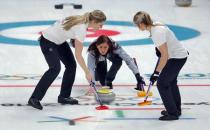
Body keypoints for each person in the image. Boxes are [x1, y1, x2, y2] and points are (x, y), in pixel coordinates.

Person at [28, 10, 106, 110]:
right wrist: (87, 72)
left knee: (71, 65)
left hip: (58, 41)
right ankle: (34, 98)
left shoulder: (81, 19)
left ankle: (64, 96)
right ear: (94, 21)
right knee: (55, 68)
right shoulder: (81, 28)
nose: (101, 27)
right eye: (100, 24)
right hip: (47, 41)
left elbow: (61, 27)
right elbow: (78, 55)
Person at [133, 11, 188, 121]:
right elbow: (164, 51)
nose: (138, 27)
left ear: (142, 23)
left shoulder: (157, 32)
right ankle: (176, 110)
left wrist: (156, 73)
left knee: (162, 84)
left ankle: (173, 114)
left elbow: (164, 55)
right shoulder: (156, 26)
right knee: (171, 82)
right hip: (177, 55)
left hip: (177, 58)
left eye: (137, 24)